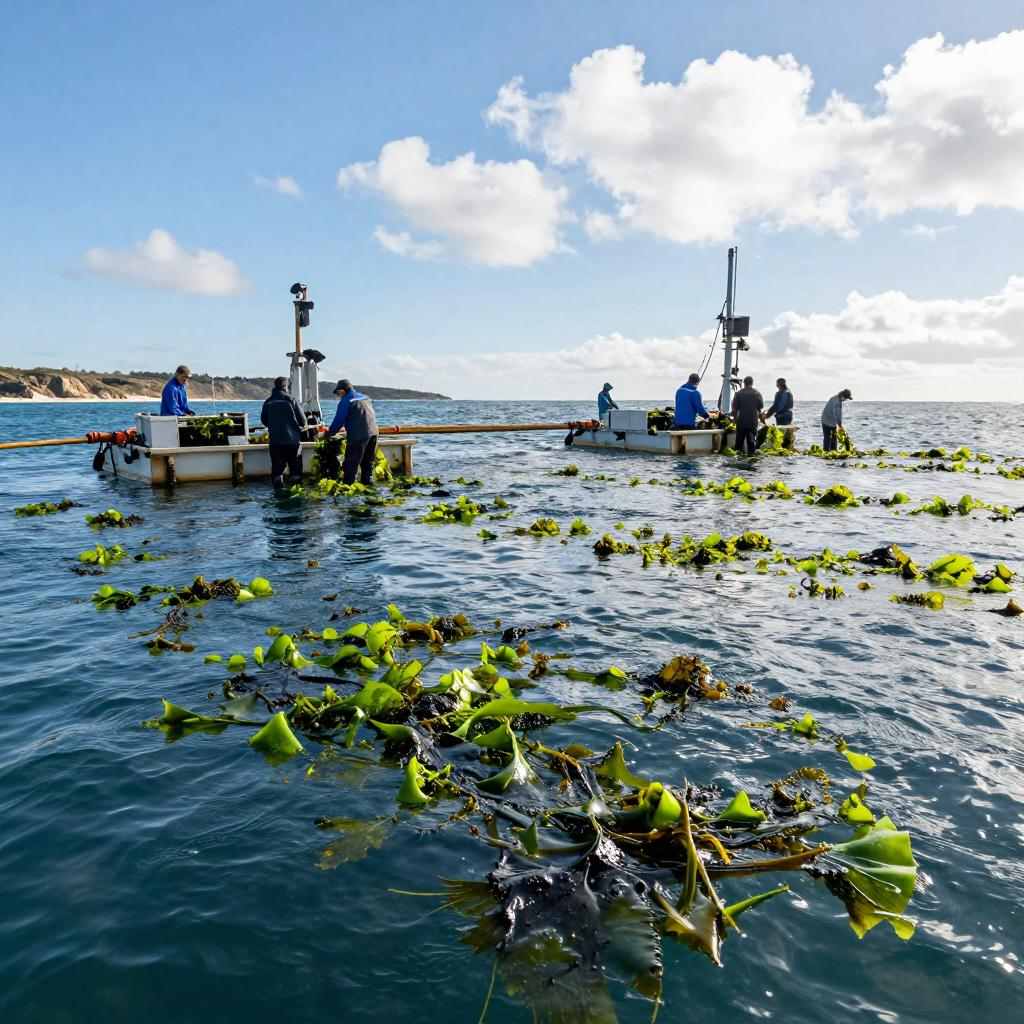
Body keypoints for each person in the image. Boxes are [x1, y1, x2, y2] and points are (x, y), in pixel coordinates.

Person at [328, 379, 380, 485]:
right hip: (374, 433)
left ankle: (348, 489)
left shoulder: (346, 401)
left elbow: (339, 420)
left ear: (342, 391)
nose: (338, 396)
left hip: (358, 436)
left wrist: (329, 433)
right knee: (367, 464)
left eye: (338, 393)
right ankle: (368, 487)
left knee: (350, 466)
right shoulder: (366, 397)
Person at [261, 377, 306, 488]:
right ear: (286, 387)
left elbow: (264, 420)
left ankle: (278, 494)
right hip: (292, 442)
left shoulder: (268, 401)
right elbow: (303, 421)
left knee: (277, 472)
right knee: (295, 470)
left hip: (275, 442)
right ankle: (295, 494)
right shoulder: (291, 400)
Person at [731, 376, 763, 455]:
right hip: (752, 422)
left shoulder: (738, 394)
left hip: (741, 422)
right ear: (752, 383)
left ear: (744, 383)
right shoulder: (757, 393)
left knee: (738, 444)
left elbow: (734, 409)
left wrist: (734, 420)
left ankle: (738, 462)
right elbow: (760, 406)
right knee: (751, 444)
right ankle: (751, 461)